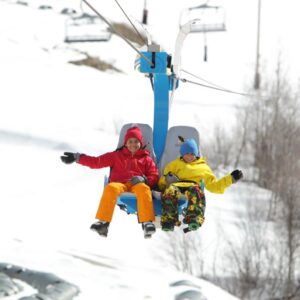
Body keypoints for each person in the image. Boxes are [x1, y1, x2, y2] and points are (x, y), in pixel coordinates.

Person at [61, 126, 159, 238]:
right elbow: (96, 162)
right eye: (130, 141)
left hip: (137, 184)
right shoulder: (116, 156)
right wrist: (77, 158)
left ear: (140, 143)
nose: (133, 144)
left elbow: (154, 175)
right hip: (119, 184)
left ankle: (147, 223)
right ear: (125, 143)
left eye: (136, 141)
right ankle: (103, 223)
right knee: (110, 188)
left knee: (144, 189)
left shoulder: (146, 158)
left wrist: (144, 179)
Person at [158, 138, 243, 232]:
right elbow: (164, 177)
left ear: (196, 154)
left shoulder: (203, 168)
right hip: (176, 184)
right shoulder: (174, 164)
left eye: (192, 154)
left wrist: (230, 179)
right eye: (187, 153)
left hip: (192, 186)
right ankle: (169, 220)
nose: (190, 156)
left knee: (196, 192)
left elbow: (214, 185)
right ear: (182, 154)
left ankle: (194, 218)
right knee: (170, 191)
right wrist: (163, 183)